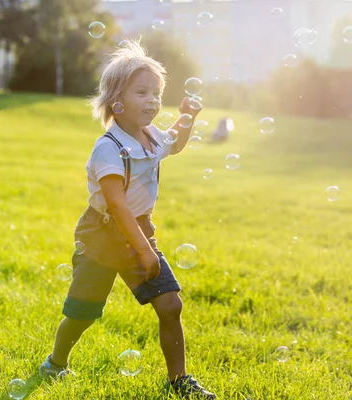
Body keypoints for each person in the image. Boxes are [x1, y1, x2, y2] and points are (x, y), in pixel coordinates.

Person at [38, 39, 217, 399]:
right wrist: (145, 251)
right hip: (103, 236)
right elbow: (117, 206)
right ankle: (56, 362)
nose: (153, 101)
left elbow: (175, 144)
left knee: (170, 304)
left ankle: (179, 380)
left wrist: (187, 119)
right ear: (116, 100)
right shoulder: (108, 147)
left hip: (138, 230)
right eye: (142, 92)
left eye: (157, 93)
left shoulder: (150, 137)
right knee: (83, 312)